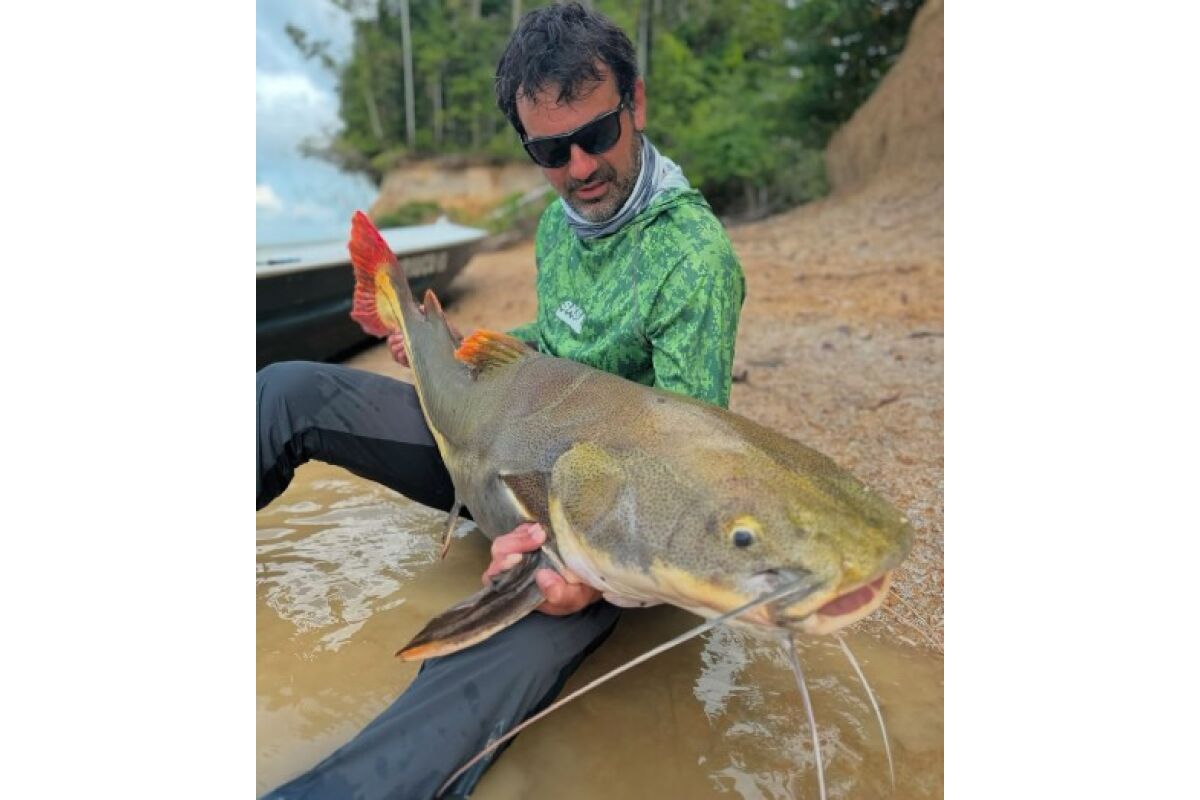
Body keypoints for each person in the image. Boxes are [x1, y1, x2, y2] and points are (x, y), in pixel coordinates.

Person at [257, 3, 745, 797]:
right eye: (550, 150)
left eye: (597, 134)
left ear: (636, 104)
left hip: (599, 522)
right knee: (288, 389)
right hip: (501, 443)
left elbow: (684, 460)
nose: (579, 167)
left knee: (490, 659)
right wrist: (449, 346)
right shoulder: (558, 226)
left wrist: (578, 575)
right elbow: (552, 339)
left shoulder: (694, 257)